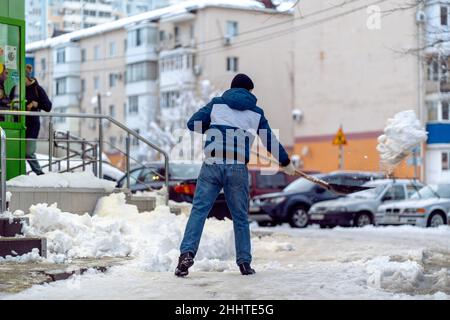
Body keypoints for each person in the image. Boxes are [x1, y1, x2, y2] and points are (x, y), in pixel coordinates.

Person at [175, 74, 296, 277]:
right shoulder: (256, 113)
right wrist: (284, 162)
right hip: (237, 167)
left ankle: (186, 254)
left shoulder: (216, 105)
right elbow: (270, 141)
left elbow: (192, 123)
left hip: (212, 163)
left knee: (199, 211)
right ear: (249, 91)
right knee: (240, 217)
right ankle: (244, 263)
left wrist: (212, 128)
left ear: (232, 89)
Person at [25, 64, 52, 175]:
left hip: (32, 125)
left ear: (26, 77)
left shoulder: (37, 89)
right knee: (16, 151)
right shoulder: (17, 88)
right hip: (18, 123)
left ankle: (39, 174)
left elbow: (48, 106)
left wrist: (36, 104)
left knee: (28, 152)